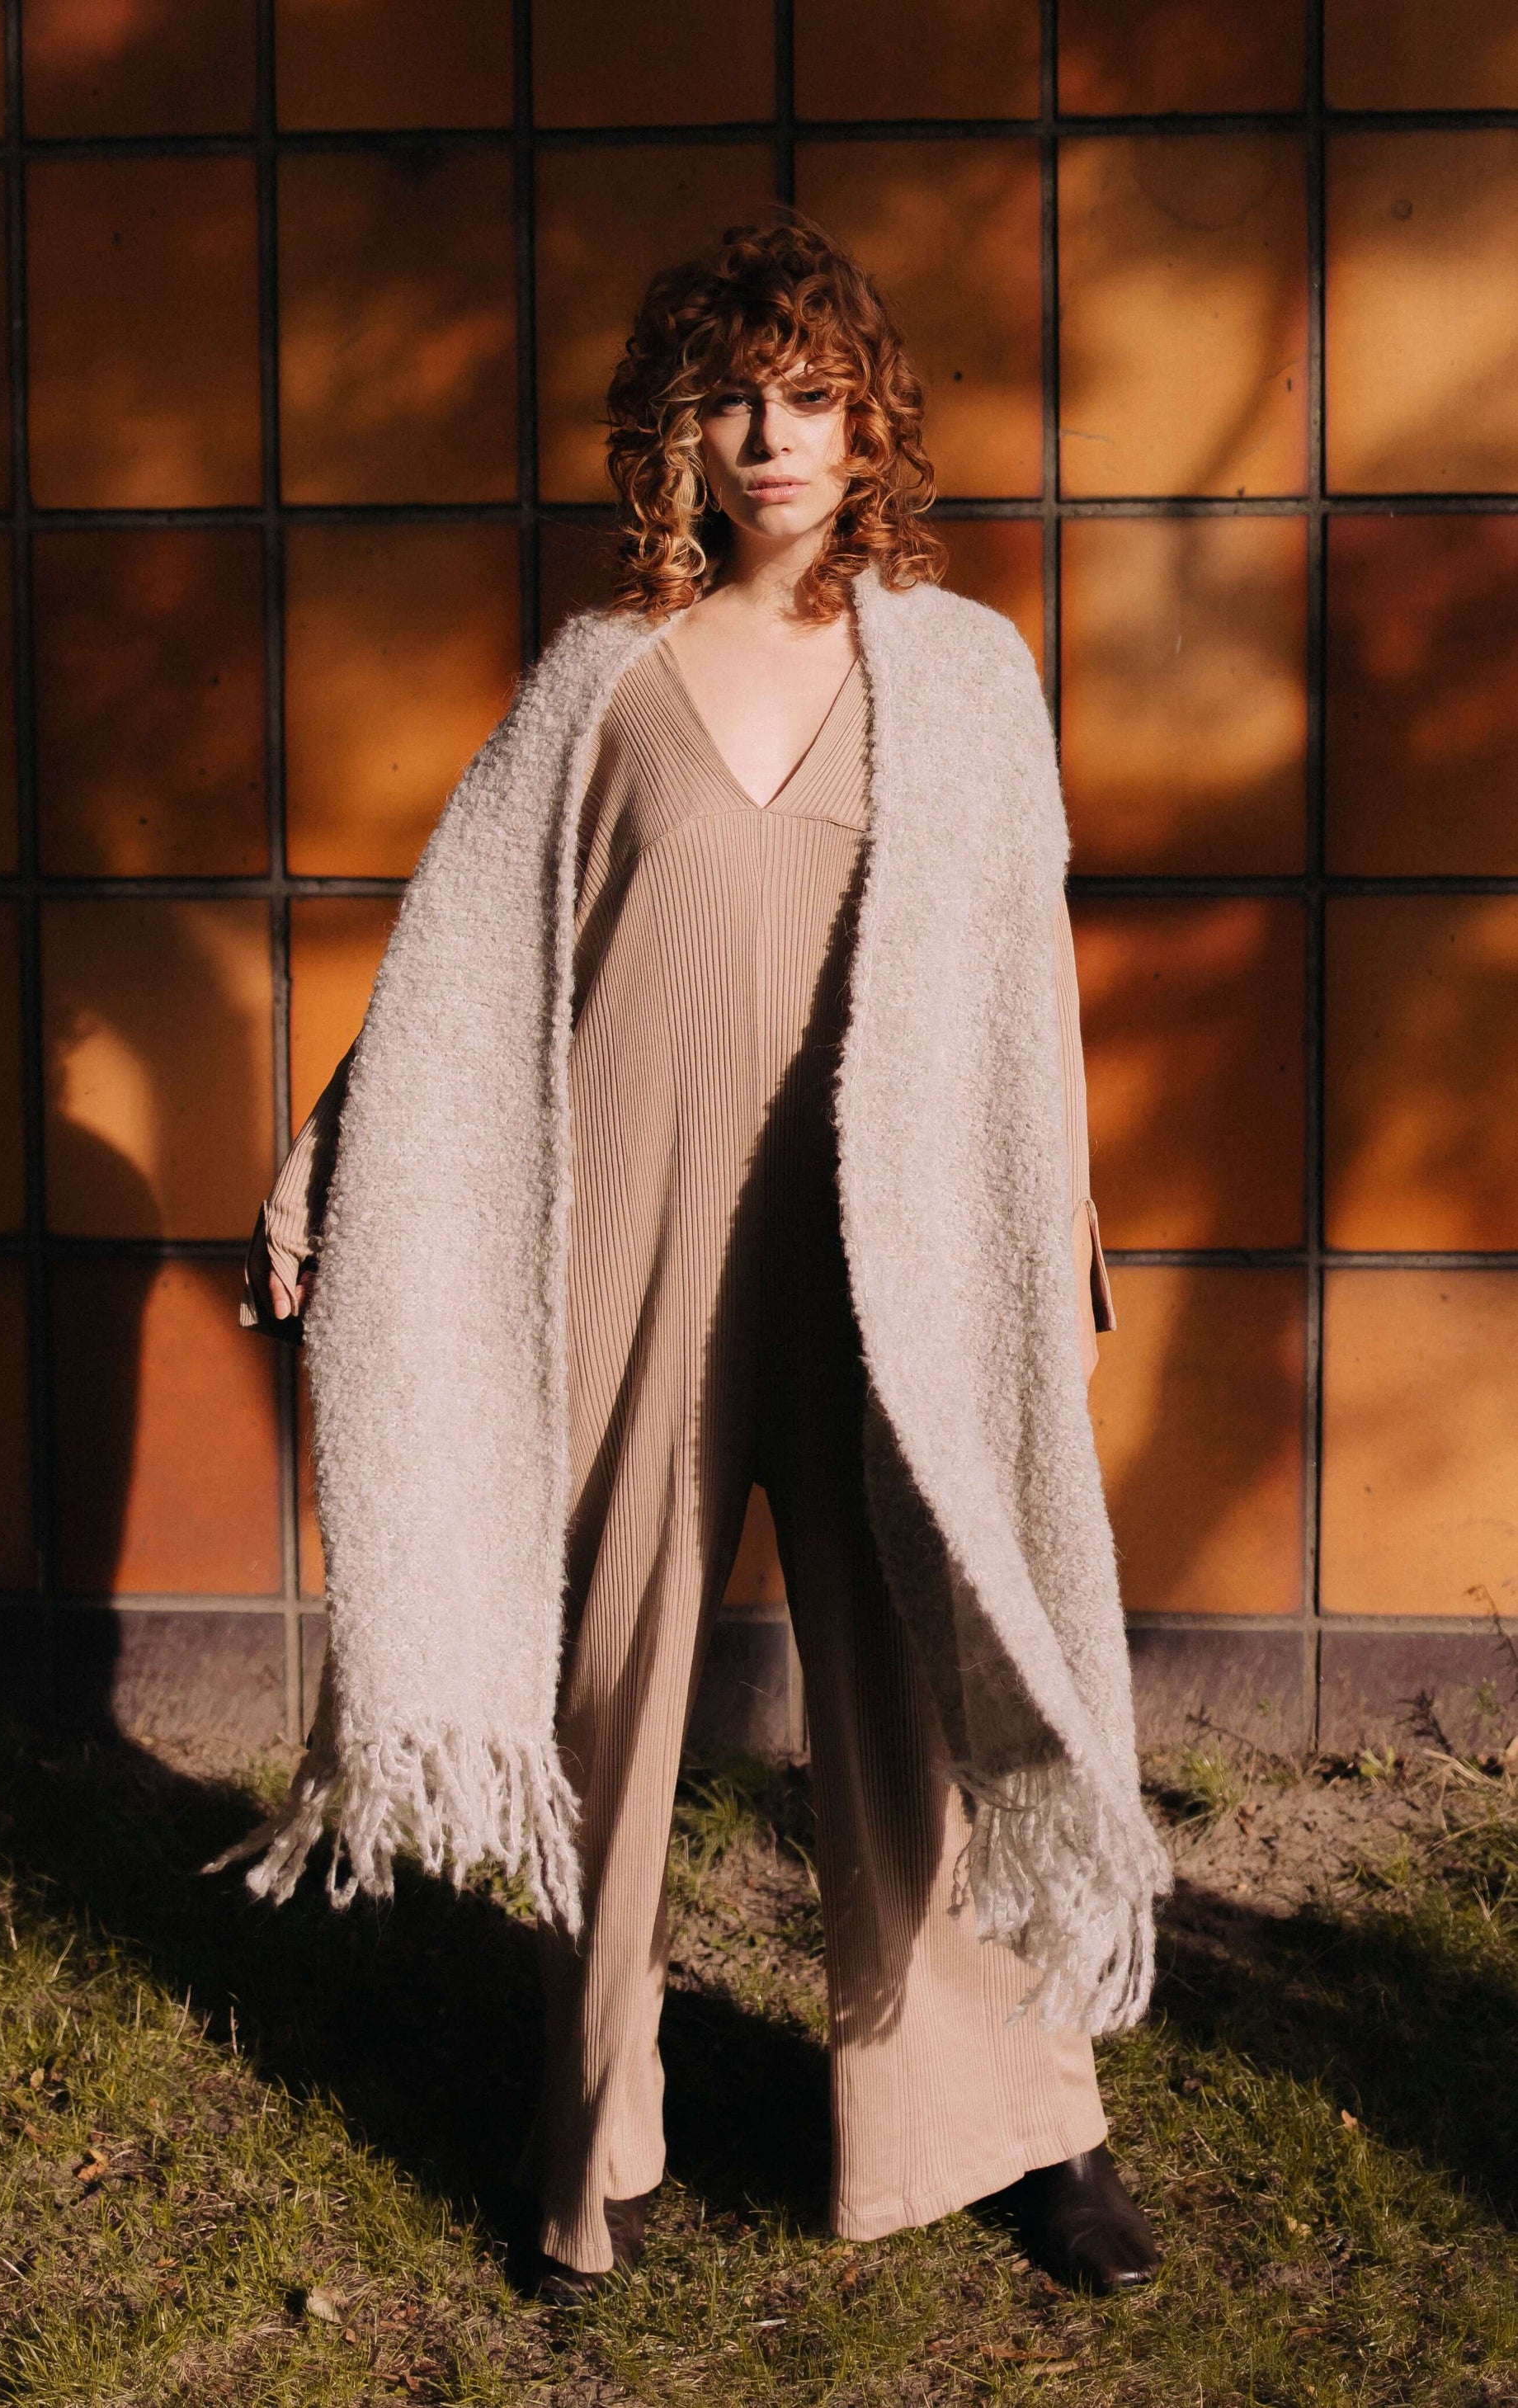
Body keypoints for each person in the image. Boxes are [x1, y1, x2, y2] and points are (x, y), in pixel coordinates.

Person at [230, 212, 1171, 2301]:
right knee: (614, 1689)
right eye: (733, 395)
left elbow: (1023, 983)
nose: (772, 433)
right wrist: (327, 1162)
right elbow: (466, 971)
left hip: (883, 1247)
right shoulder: (598, 683)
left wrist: (1059, 1205)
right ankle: (602, 2143)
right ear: (676, 428)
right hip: (628, 1244)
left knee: (921, 1678)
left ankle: (1014, 2125)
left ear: (868, 423)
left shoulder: (963, 667)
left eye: (812, 393)